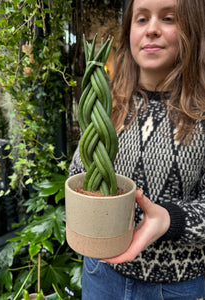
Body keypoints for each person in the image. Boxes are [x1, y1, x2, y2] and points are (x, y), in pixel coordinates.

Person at [69, 0, 205, 299]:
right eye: (141, 19)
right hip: (101, 272)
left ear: (192, 30)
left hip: (173, 285)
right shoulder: (109, 106)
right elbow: (80, 171)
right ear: (129, 32)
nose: (152, 30)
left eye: (169, 18)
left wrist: (168, 220)